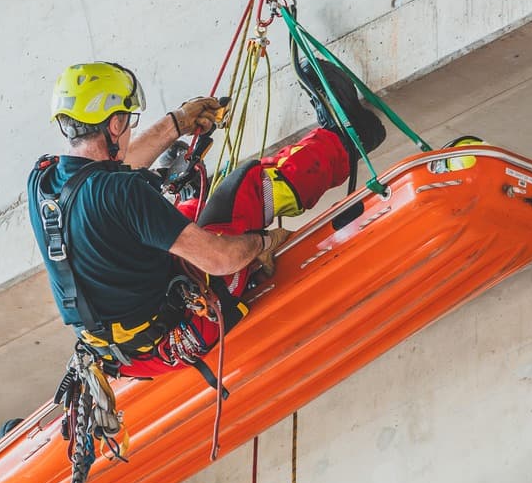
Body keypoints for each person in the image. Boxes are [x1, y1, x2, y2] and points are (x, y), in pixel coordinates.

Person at [27, 57, 386, 381]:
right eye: (129, 121)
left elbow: (110, 179)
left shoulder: (43, 181)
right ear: (116, 123)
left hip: (126, 350)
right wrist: (262, 243)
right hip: (183, 329)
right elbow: (219, 259)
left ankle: (192, 200)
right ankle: (347, 137)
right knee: (244, 190)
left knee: (183, 213)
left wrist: (177, 123)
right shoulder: (122, 194)